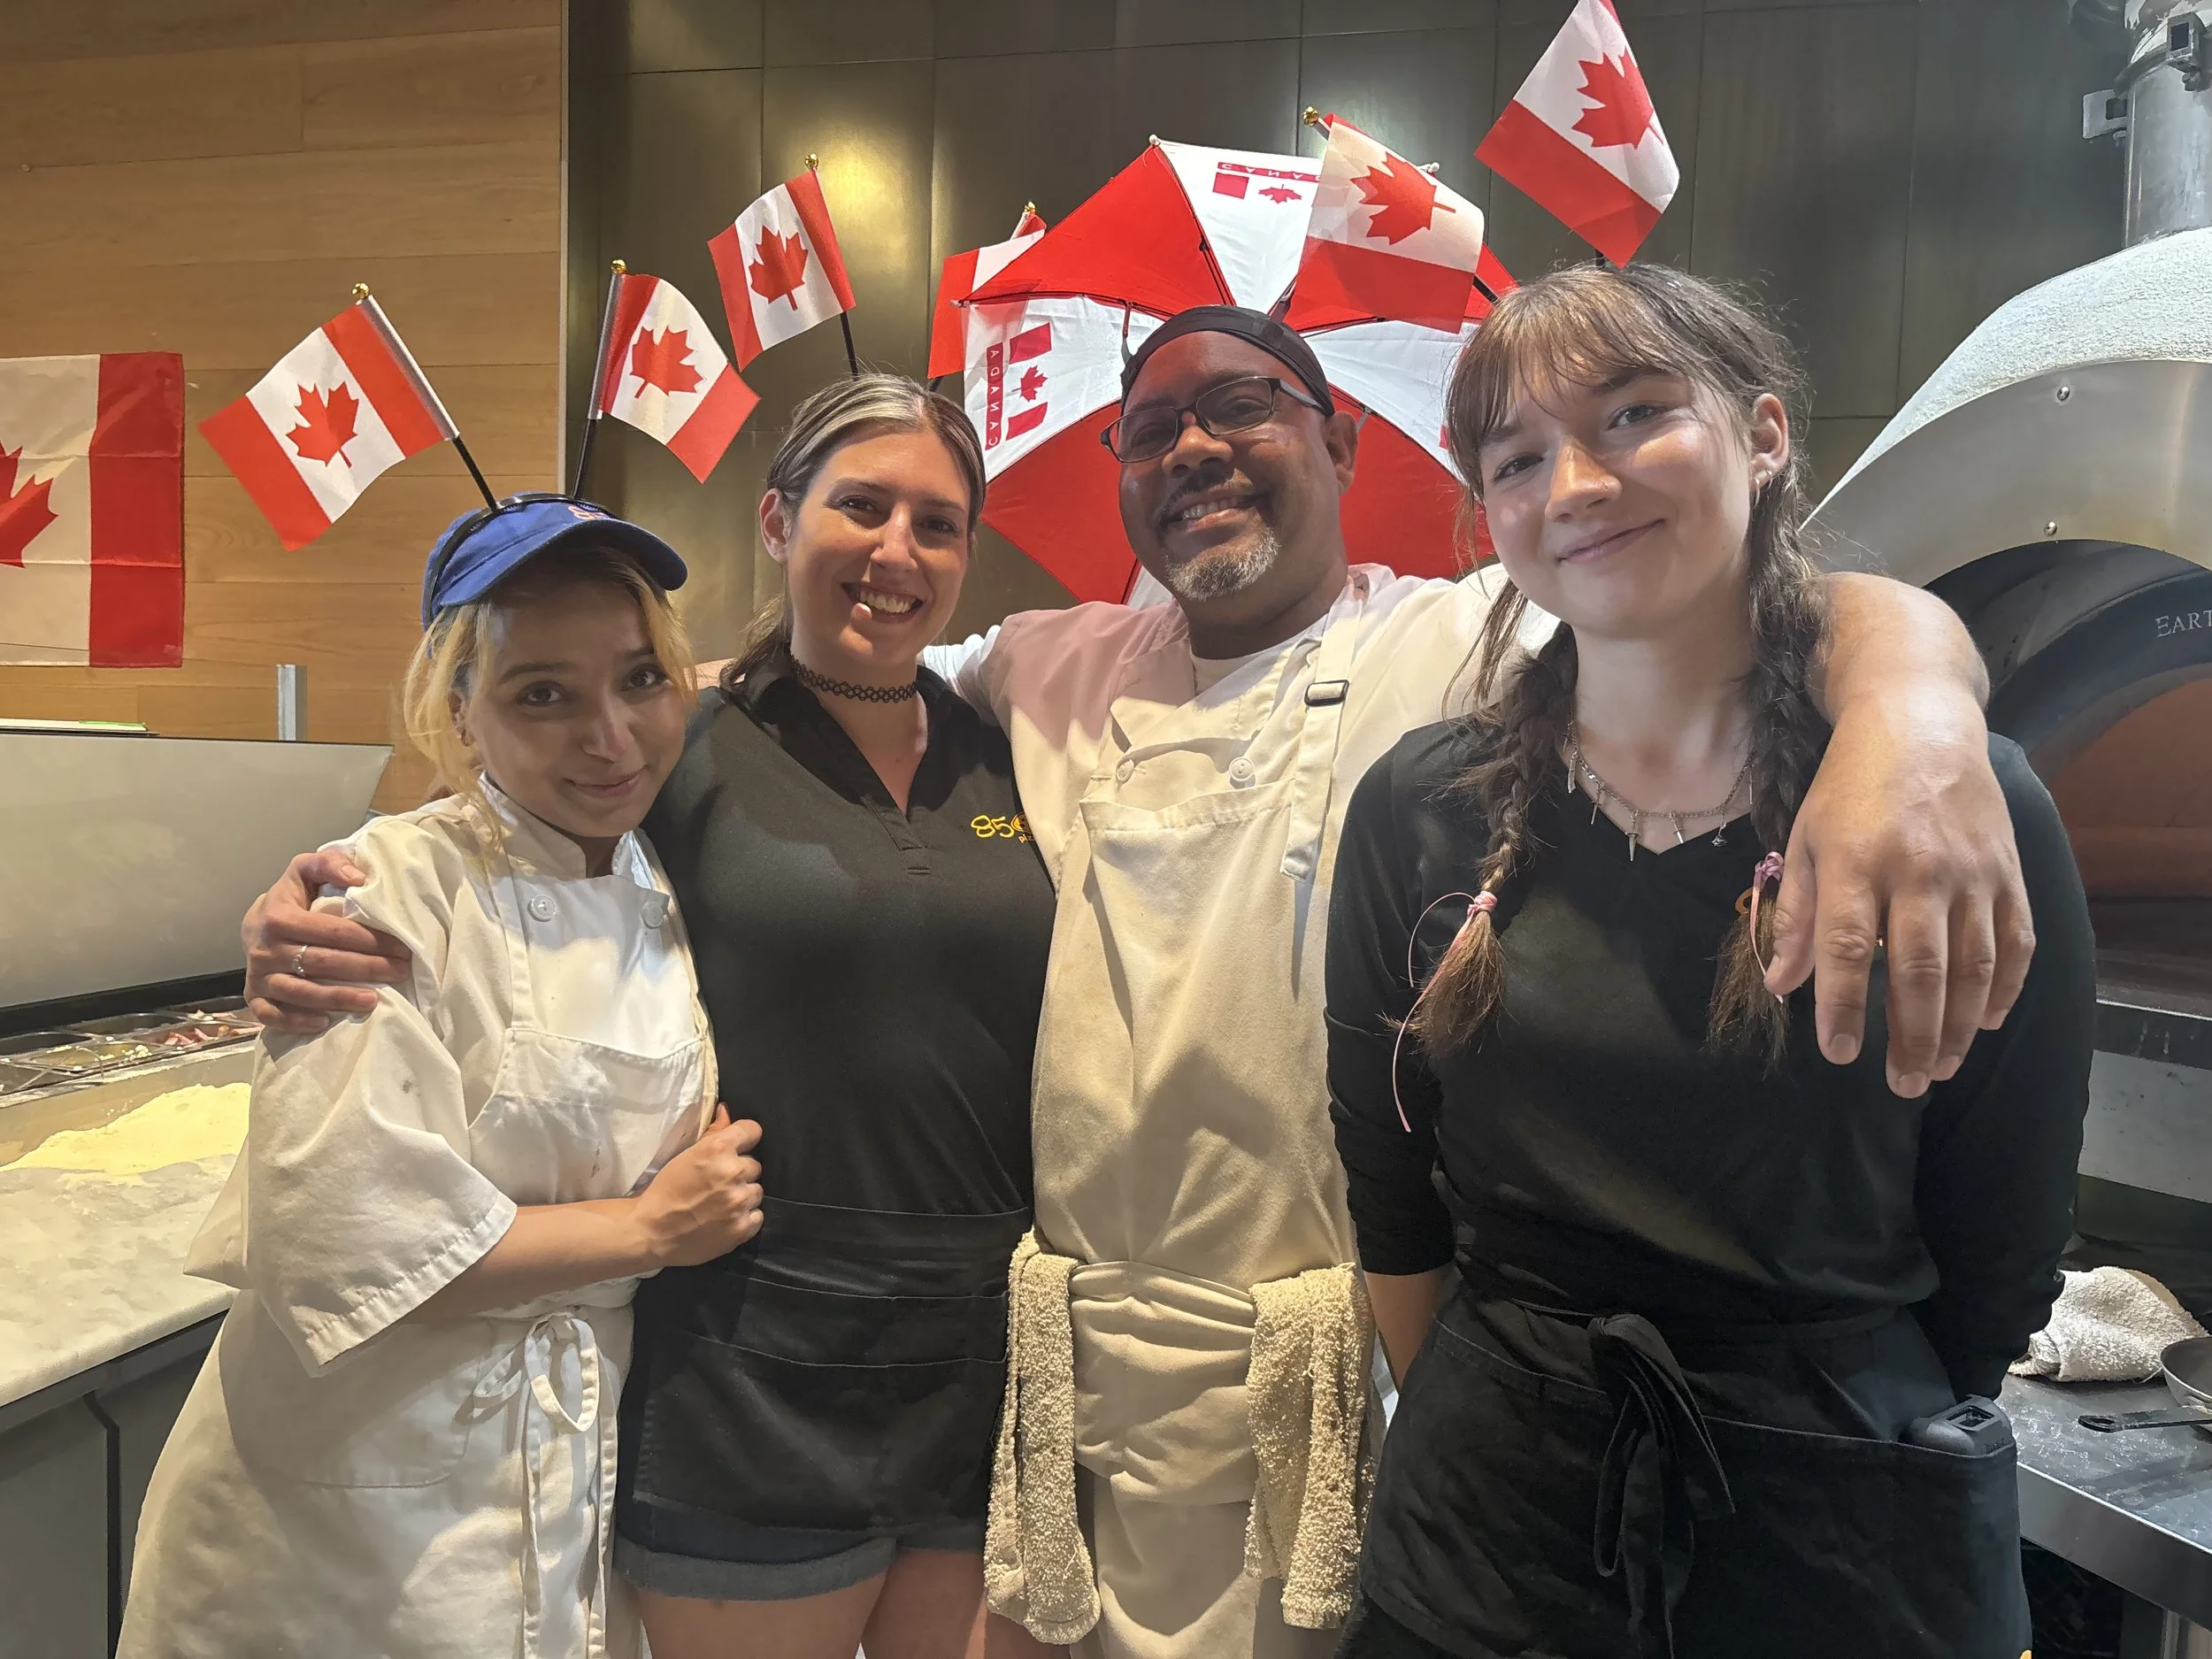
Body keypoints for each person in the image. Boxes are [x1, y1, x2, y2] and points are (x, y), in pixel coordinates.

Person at [250, 307, 2032, 1659]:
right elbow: (646, 722)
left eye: (1239, 408)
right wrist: (342, 881)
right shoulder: (1040, 663)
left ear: (1334, 443)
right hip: (1045, 1370)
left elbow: (1738, 597)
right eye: (1147, 428)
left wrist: (1917, 704)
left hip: (1308, 1369)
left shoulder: (1453, 636)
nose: (1192, 450)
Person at [1323, 265, 2093, 1659]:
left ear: (1763, 433)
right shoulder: (1418, 808)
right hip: (1485, 1547)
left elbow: (2007, 1236)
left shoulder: (1954, 804)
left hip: (1844, 1549)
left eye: (1631, 415)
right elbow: (1393, 1195)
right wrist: (1501, 1423)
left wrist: (1838, 1421)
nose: (1576, 482)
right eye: (1516, 455)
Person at [240, 377, 1061, 1659]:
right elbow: (488, 824)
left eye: (937, 521)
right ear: (780, 521)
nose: (897, 549)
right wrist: (311, 895)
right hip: (747, 1349)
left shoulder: (1019, 740)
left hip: (982, 1352)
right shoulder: (686, 743)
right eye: (861, 505)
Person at [118, 498, 767, 1659]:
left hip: (564, 1470)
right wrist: (652, 1228)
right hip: (359, 1496)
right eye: (542, 695)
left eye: (638, 680)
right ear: (460, 714)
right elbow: (353, 1238)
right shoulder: (384, 895)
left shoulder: (644, 858)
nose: (611, 736)